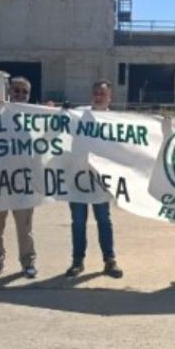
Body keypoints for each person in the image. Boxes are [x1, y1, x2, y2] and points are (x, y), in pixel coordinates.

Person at [64, 80, 123, 278]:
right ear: (92, 95)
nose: (99, 96)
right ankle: (77, 261)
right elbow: (56, 125)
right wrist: (53, 111)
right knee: (78, 222)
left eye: (103, 94)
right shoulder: (79, 114)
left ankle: (109, 260)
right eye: (96, 93)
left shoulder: (116, 120)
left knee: (104, 220)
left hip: (101, 180)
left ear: (110, 98)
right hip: (78, 177)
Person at [0, 77, 40, 279]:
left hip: (23, 182)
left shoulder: (35, 117)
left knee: (25, 228)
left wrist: (54, 116)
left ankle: (28, 263)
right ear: (9, 92)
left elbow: (49, 140)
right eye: (16, 91)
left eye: (24, 92)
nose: (20, 95)